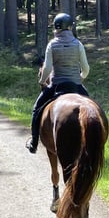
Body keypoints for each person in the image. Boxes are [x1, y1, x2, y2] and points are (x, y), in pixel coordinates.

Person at [26, 13, 90, 154]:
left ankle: (34, 142)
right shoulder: (78, 44)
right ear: (70, 27)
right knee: (92, 108)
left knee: (36, 110)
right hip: (75, 86)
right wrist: (80, 77)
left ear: (56, 28)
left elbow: (47, 68)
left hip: (56, 86)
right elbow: (86, 69)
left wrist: (42, 81)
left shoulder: (52, 44)